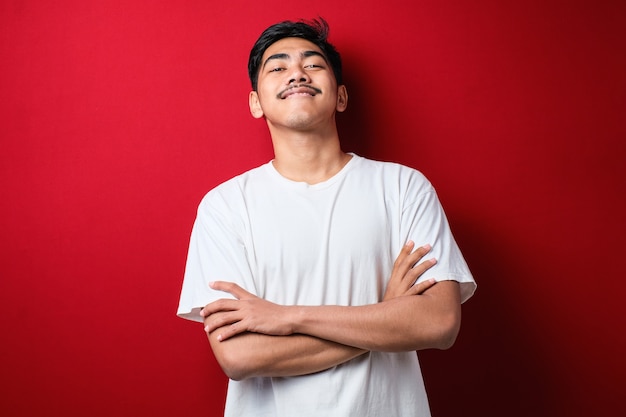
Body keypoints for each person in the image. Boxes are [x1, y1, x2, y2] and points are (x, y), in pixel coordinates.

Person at [177, 18, 476, 417]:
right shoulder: (225, 206)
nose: (297, 73)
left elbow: (439, 322)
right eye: (278, 67)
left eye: (313, 64)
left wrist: (286, 317)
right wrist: (386, 315)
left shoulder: (404, 188)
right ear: (255, 102)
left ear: (341, 96)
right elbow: (240, 355)